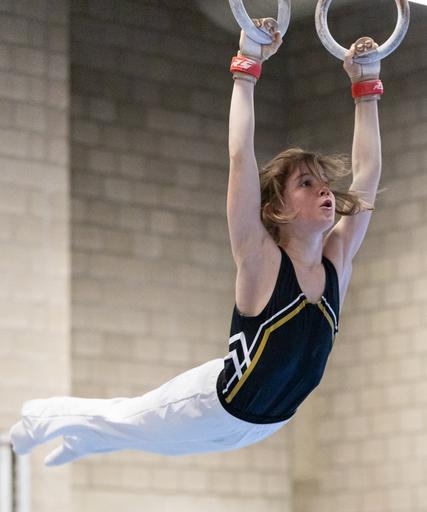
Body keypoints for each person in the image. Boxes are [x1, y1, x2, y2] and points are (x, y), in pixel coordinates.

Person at [10, 21, 382, 466]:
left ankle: (86, 440)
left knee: (149, 439)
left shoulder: (336, 260)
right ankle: (38, 421)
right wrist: (247, 68)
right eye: (307, 183)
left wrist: (366, 86)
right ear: (278, 209)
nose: (326, 191)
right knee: (132, 419)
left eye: (324, 183)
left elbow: (367, 175)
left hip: (268, 423)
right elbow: (241, 154)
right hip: (210, 405)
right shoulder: (261, 260)